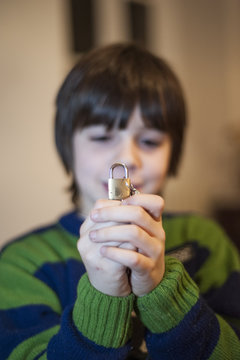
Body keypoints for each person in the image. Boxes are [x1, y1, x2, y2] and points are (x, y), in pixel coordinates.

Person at [0, 43, 239, 360]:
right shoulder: (23, 262)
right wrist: (103, 294)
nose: (128, 158)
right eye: (101, 137)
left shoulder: (205, 240)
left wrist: (161, 288)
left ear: (174, 152)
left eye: (150, 141)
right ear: (67, 147)